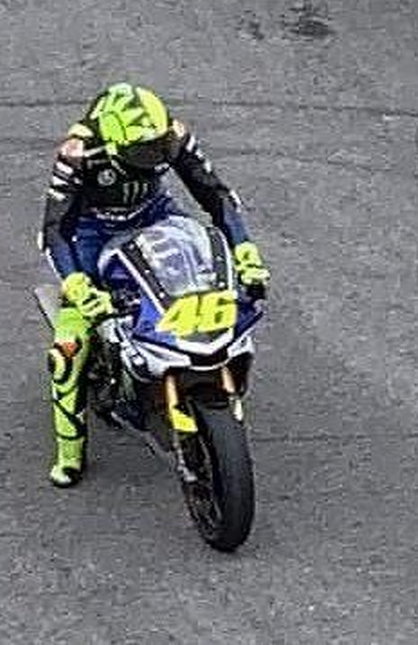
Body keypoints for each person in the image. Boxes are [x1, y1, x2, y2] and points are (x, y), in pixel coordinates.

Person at [38, 82, 271, 487]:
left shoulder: (171, 135)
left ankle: (200, 361)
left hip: (156, 214)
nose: (155, 159)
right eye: (143, 153)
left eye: (159, 149)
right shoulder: (77, 154)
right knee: (68, 349)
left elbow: (216, 196)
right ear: (112, 145)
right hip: (94, 232)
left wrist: (245, 252)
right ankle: (70, 455)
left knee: (204, 268)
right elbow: (54, 230)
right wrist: (77, 285)